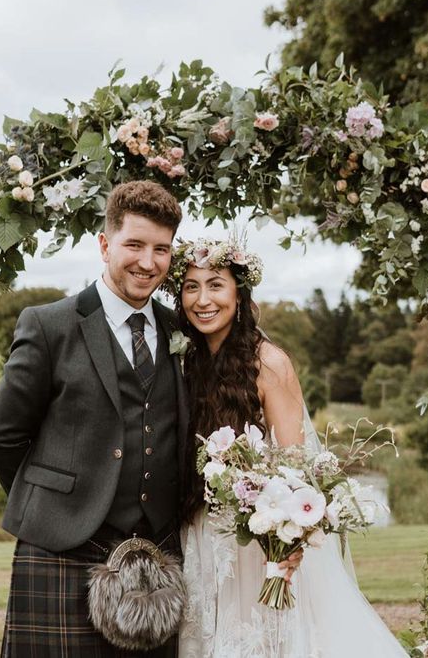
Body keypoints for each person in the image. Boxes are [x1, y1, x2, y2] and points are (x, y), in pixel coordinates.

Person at [169, 236, 409, 657]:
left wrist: (286, 545)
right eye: (191, 286)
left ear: (239, 295)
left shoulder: (268, 363)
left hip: (252, 542)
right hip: (202, 537)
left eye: (215, 285)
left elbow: (295, 467)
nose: (202, 299)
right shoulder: (186, 360)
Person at [0, 180, 188, 657]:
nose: (147, 261)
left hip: (157, 560)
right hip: (60, 551)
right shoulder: (49, 324)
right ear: (104, 244)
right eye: (134, 244)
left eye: (161, 249)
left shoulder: (179, 331)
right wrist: (57, 503)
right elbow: (3, 438)